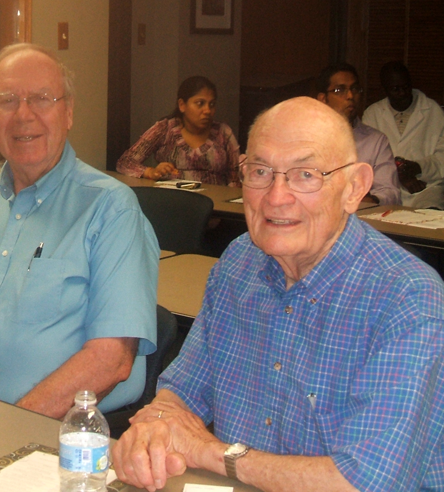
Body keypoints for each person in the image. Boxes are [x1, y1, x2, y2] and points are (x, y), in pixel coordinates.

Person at [112, 97, 444, 491]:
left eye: (306, 174)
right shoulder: (240, 263)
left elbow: (368, 481)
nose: (276, 196)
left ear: (355, 188)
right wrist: (154, 426)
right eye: (260, 171)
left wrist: (213, 453)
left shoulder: (409, 299)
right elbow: (184, 389)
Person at [0, 43, 159, 419]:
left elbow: (112, 359)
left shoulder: (111, 210)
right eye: (6, 101)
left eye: (42, 98)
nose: (23, 115)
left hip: (46, 432)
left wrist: (14, 423)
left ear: (68, 112)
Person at [116, 76, 240, 185]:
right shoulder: (164, 129)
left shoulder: (223, 132)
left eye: (211, 104)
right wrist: (150, 172)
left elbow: (236, 178)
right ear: (182, 105)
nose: (207, 110)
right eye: (200, 103)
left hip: (216, 206)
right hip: (173, 203)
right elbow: (125, 162)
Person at [316, 63, 401, 205]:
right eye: (340, 90)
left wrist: (371, 200)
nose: (350, 96)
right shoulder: (306, 136)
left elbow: (391, 192)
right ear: (323, 99)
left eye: (355, 89)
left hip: (361, 217)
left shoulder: (375, 141)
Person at [363, 61, 444, 209]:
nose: (403, 93)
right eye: (395, 89)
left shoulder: (433, 111)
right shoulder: (372, 114)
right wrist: (398, 174)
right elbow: (367, 159)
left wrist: (417, 167)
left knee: (429, 220)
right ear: (385, 90)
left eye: (406, 87)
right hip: (386, 189)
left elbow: (441, 159)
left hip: (425, 188)